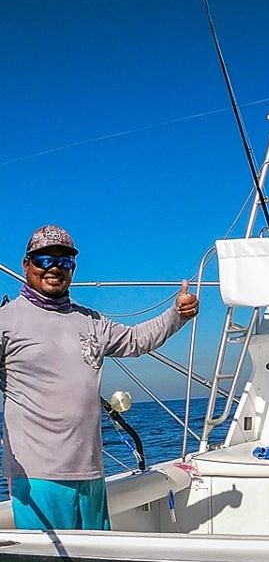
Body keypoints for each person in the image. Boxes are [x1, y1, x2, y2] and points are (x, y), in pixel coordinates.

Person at [0, 225, 199, 532]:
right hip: (38, 477)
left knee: (93, 556)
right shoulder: (6, 321)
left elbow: (136, 339)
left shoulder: (91, 321)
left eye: (64, 261)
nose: (54, 268)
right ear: (26, 265)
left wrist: (177, 314)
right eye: (44, 260)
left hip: (91, 471)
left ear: (73, 268)